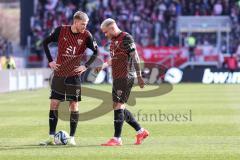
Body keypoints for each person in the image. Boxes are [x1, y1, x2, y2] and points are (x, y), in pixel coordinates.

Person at [40, 11, 98, 146]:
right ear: (76, 21)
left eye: (86, 24)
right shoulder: (61, 30)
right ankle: (51, 137)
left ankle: (72, 138)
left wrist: (86, 66)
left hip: (74, 75)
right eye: (83, 24)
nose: (85, 26)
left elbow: (96, 51)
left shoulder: (86, 35)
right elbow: (45, 42)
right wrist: (50, 61)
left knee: (74, 104)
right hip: (59, 74)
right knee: (54, 103)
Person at [98, 18, 149, 146]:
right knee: (117, 106)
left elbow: (135, 57)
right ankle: (141, 131)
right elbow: (114, 59)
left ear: (111, 28)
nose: (105, 35)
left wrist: (139, 76)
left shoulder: (126, 38)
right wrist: (103, 66)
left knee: (119, 106)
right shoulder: (113, 41)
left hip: (126, 76)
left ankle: (117, 139)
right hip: (117, 77)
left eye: (106, 32)